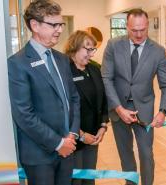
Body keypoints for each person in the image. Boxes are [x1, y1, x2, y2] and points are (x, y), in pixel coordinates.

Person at [7, 1, 80, 184]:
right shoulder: (18, 63)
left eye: (60, 24)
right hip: (39, 156)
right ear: (35, 25)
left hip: (67, 149)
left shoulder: (62, 59)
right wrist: (58, 143)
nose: (59, 30)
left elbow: (73, 98)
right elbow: (23, 114)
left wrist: (72, 134)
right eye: (53, 24)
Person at [101, 8, 166, 185]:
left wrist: (163, 111)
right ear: (127, 26)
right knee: (126, 156)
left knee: (146, 155)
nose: (139, 34)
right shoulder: (113, 45)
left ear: (148, 25)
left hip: (144, 111)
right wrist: (118, 108)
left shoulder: (157, 51)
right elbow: (106, 78)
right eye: (134, 30)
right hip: (119, 110)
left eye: (143, 29)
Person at [64, 30, 109, 185]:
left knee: (89, 180)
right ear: (75, 47)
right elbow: (63, 110)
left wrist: (103, 125)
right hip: (74, 139)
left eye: (93, 49)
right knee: (75, 181)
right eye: (87, 49)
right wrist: (81, 135)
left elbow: (103, 100)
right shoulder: (64, 72)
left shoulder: (94, 70)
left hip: (94, 137)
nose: (91, 54)